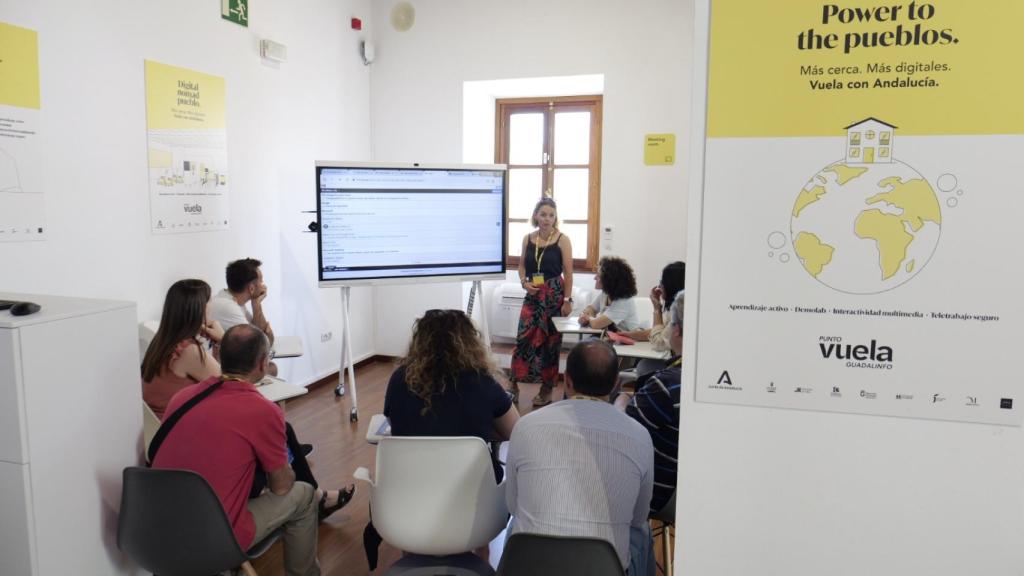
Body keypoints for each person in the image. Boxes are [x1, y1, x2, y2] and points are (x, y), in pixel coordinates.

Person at [152, 325, 353, 576]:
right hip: (210, 538)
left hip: (155, 530)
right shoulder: (262, 410)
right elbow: (281, 487)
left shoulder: (181, 398)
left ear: (218, 357)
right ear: (261, 364)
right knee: (304, 495)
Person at [506, 340, 655, 576]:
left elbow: (513, 504)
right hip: (603, 567)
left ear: (567, 380)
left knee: (517, 524)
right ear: (616, 384)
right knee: (642, 531)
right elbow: (638, 516)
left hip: (529, 564)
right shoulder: (639, 435)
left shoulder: (526, 425)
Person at [384, 308, 520, 480]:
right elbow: (515, 430)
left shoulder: (399, 379)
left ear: (419, 341)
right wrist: (478, 428)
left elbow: (395, 423)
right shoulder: (483, 382)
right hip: (473, 492)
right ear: (470, 342)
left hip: (411, 486)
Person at [615, 290, 684, 514]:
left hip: (662, 495)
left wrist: (622, 400)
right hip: (703, 491)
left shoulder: (666, 386)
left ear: (678, 331)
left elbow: (623, 431)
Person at [510, 197, 574, 407]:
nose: (547, 219)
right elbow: (521, 266)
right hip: (533, 294)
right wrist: (523, 282)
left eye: (551, 215)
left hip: (554, 296)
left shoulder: (562, 239)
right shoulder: (528, 238)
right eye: (543, 214)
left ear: (556, 218)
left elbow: (569, 273)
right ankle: (514, 385)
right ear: (536, 215)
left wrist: (567, 300)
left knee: (551, 344)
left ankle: (546, 389)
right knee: (522, 340)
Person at [141, 279, 223, 419]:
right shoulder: (189, 352)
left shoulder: (162, 341)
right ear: (200, 308)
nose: (212, 305)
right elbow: (232, 388)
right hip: (178, 432)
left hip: (157, 430)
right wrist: (224, 339)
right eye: (209, 300)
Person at [209, 257, 278, 376]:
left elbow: (262, 339)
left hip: (228, 363)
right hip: (218, 370)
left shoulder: (234, 301)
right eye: (261, 282)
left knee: (270, 367)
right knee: (271, 368)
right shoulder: (228, 307)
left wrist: (256, 304)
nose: (264, 286)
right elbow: (264, 343)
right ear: (251, 288)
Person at [623, 261, 685, 350]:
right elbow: (660, 332)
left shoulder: (679, 313)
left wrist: (657, 309)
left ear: (671, 285)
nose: (659, 286)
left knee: (644, 364)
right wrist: (629, 335)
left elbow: (658, 342)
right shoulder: (672, 308)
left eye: (662, 282)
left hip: (672, 360)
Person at [578, 256, 642, 332]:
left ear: (609, 280)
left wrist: (587, 318)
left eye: (598, 275)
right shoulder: (605, 293)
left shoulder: (624, 301)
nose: (594, 278)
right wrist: (586, 315)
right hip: (610, 337)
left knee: (586, 343)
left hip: (629, 341)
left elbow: (596, 324)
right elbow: (591, 308)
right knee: (585, 343)